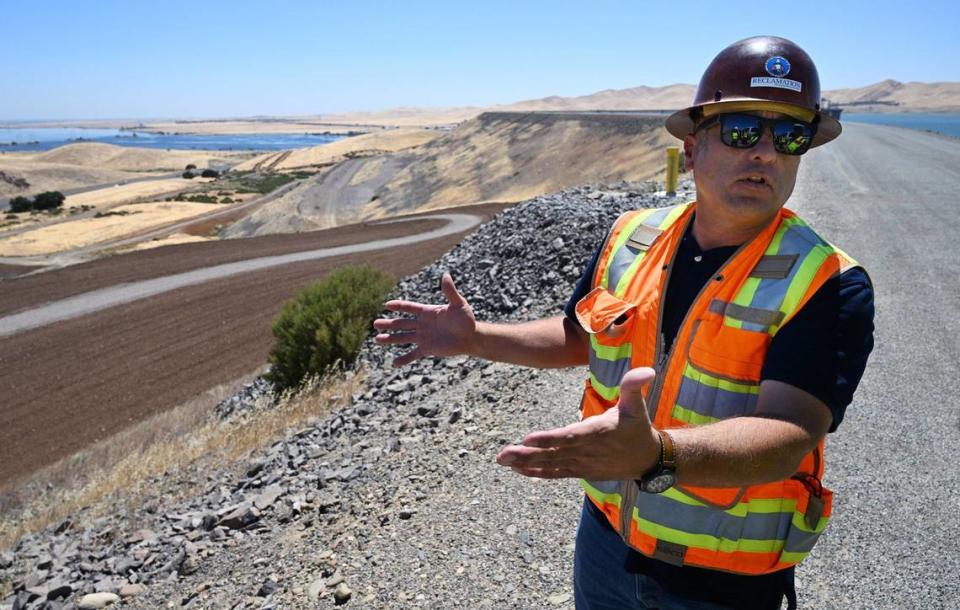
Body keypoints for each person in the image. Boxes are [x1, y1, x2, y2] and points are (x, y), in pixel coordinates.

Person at [374, 35, 874, 610]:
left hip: (724, 578)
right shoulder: (631, 238)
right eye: (741, 130)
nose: (764, 152)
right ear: (692, 148)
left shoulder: (827, 281)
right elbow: (576, 338)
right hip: (609, 541)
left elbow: (789, 434)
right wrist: (475, 338)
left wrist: (656, 455)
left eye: (789, 136)